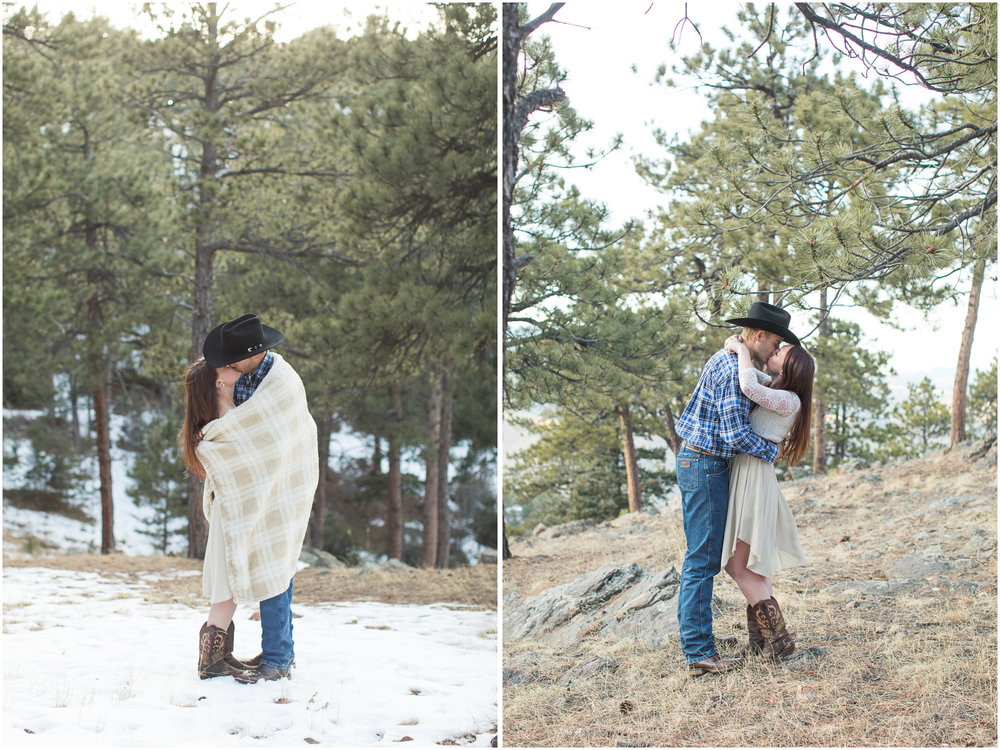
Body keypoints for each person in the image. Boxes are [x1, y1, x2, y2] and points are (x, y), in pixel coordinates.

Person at [181, 313, 318, 683]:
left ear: (247, 356)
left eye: (227, 362)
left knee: (276, 567)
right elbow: (229, 441)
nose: (222, 366)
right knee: (255, 573)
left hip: (280, 488)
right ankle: (263, 656)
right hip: (239, 497)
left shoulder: (280, 383)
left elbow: (281, 438)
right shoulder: (228, 385)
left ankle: (275, 656)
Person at [674, 301, 798, 677]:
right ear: (759, 336)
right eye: (775, 343)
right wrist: (770, 452)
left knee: (709, 558)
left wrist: (740, 348)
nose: (775, 351)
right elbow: (735, 433)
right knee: (703, 560)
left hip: (705, 462)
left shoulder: (733, 359)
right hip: (706, 464)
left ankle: (716, 640)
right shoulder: (732, 370)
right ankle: (698, 651)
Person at [721, 332, 814, 662]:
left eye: (780, 352)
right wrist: (738, 351)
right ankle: (761, 640)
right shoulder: (779, 390)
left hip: (754, 477)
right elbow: (753, 377)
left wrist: (739, 348)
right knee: (750, 566)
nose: (773, 351)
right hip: (750, 472)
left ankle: (780, 639)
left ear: (788, 369)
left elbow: (748, 385)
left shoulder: (789, 399)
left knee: (737, 564)